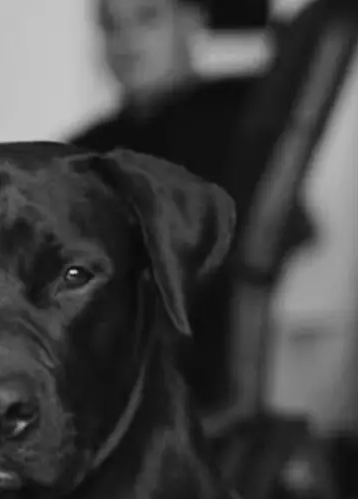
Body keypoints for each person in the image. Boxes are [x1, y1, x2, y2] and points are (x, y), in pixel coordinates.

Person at [71, 0, 260, 409]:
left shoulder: (231, 118)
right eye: (110, 26)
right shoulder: (90, 147)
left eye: (147, 18)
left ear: (191, 21)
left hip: (169, 366)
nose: (126, 40)